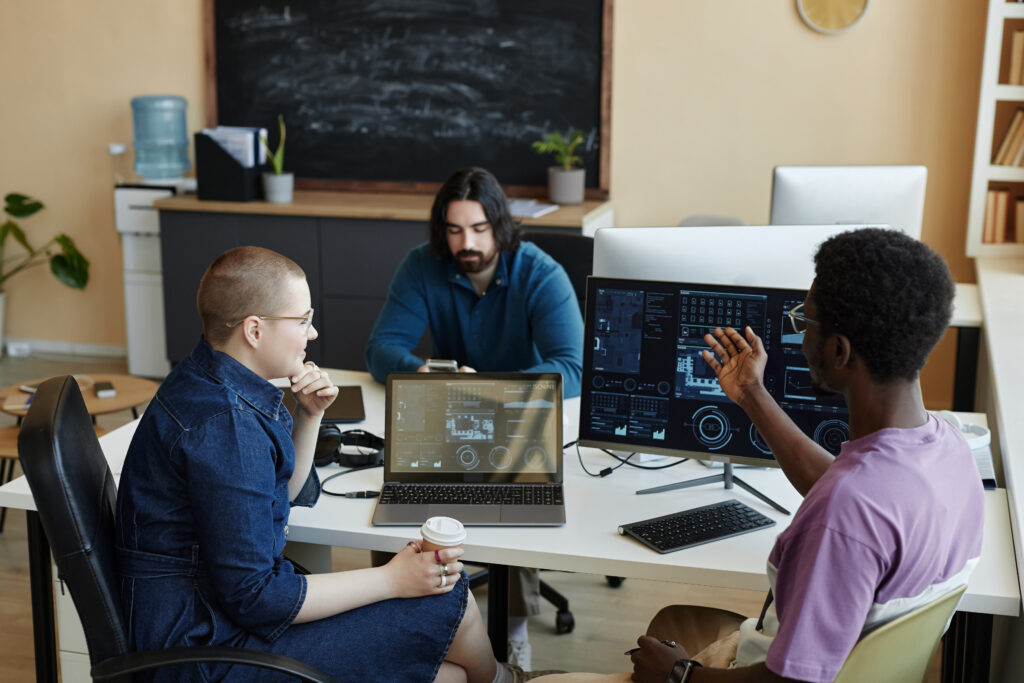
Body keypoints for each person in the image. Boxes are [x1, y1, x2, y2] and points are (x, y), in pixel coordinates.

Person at [534, 228, 984, 683]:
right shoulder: (949, 451)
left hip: (779, 672)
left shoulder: (842, 517)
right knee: (673, 620)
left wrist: (680, 676)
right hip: (852, 665)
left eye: (805, 322)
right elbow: (849, 491)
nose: (800, 335)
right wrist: (751, 392)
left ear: (839, 350)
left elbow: (790, 681)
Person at [115, 246, 546, 683]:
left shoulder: (207, 378)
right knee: (447, 602)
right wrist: (391, 579)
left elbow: (276, 495)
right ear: (254, 330)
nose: (313, 332)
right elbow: (258, 597)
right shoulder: (227, 425)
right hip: (202, 647)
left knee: (449, 665)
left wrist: (309, 414)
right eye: (302, 320)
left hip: (206, 615)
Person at [365, 167, 586, 668]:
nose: (467, 243)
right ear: (441, 231)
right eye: (455, 230)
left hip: (520, 414)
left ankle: (514, 629)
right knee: (397, 496)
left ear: (500, 226)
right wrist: (422, 372)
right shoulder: (421, 266)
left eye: (480, 229)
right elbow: (380, 349)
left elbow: (572, 369)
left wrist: (490, 388)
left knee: (521, 487)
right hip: (448, 408)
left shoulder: (541, 273)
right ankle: (396, 621)